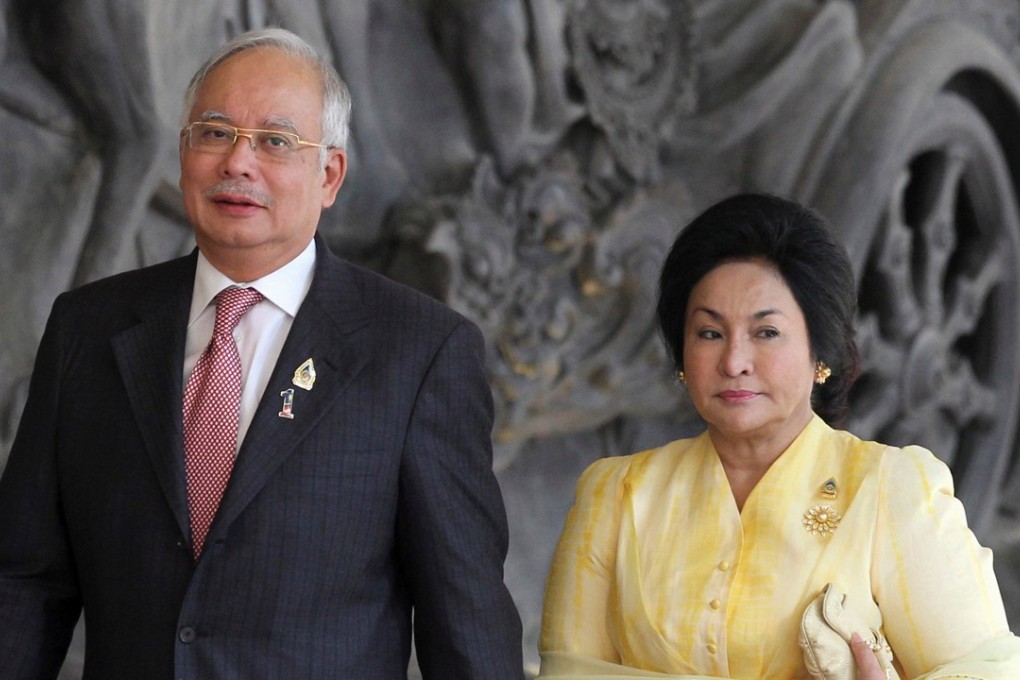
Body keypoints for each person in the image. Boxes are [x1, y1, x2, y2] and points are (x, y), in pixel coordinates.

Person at [0, 27, 524, 680]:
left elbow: (464, 615)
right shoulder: (88, 328)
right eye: (214, 133)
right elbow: (25, 581)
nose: (238, 163)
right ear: (185, 150)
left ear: (329, 174)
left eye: (275, 142)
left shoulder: (418, 352)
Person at [537, 193, 1020, 679]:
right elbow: (569, 674)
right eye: (709, 333)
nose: (734, 361)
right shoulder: (616, 495)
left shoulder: (891, 489)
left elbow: (989, 671)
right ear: (683, 356)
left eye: (765, 332)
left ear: (820, 353)